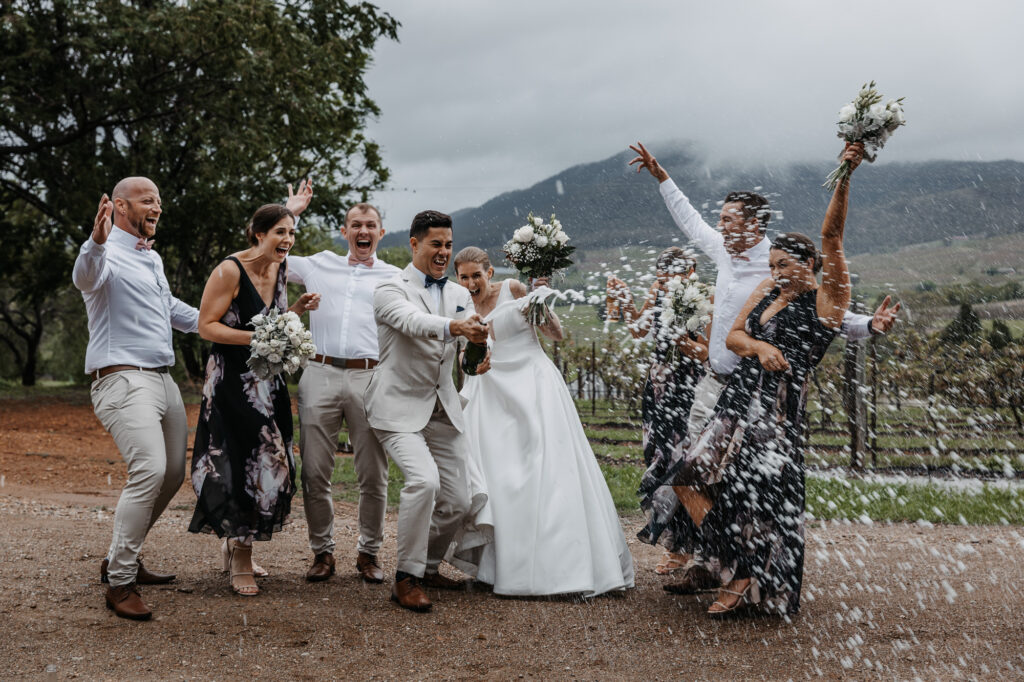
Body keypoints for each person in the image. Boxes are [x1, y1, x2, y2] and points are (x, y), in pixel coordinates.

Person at [628, 141, 900, 595]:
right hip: (710, 385)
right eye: (722, 221)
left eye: (729, 220)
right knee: (692, 474)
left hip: (754, 393)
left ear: (754, 226)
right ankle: (702, 556)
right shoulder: (722, 251)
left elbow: (826, 312)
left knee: (733, 484)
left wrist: (870, 324)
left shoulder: (777, 263)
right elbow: (690, 219)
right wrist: (662, 177)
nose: (720, 227)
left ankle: (736, 564)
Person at [451, 247, 635, 596]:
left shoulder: (515, 290)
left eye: (477, 275)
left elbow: (556, 334)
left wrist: (539, 301)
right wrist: (471, 365)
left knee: (545, 474)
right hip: (488, 393)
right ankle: (498, 568)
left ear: (490, 272)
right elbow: (464, 355)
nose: (472, 283)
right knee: (497, 478)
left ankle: (563, 568)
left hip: (533, 387)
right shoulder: (462, 306)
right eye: (464, 277)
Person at [73, 177, 198, 620]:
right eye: (148, 200)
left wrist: (229, 327)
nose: (157, 207)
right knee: (149, 468)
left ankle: (122, 556)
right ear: (121, 206)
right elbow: (85, 278)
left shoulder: (153, 258)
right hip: (123, 378)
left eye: (160, 200)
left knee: (173, 474)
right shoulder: (103, 254)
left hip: (162, 380)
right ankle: (119, 580)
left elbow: (171, 310)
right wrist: (95, 241)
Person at [188, 203, 320, 596]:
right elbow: (205, 326)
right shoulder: (229, 270)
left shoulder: (279, 269)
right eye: (280, 232)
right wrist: (259, 338)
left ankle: (235, 544)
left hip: (269, 382)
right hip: (232, 383)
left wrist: (293, 313)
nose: (288, 240)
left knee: (274, 457)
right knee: (251, 459)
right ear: (258, 233)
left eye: (291, 233)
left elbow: (273, 319)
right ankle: (241, 556)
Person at [364, 210, 490, 612]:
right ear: (414, 244)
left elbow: (465, 360)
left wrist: (477, 350)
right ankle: (407, 577)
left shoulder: (457, 293)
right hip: (397, 407)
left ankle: (430, 565)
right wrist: (456, 328)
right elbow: (413, 322)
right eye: (436, 244)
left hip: (443, 408)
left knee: (458, 499)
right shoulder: (389, 288)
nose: (443, 252)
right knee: (424, 482)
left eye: (448, 245)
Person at [286, 190, 401, 584]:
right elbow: (269, 255)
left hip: (371, 376)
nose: (363, 231)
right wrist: (291, 213)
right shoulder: (319, 265)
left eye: (370, 226)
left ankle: (369, 554)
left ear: (381, 233)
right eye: (356, 225)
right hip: (319, 373)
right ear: (344, 231)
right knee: (315, 471)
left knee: (373, 472)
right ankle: (323, 552)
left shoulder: (394, 277)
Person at [606, 247, 708, 576]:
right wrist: (625, 301)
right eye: (661, 277)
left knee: (683, 465)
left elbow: (706, 351)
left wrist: (681, 340)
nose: (665, 283)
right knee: (660, 459)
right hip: (658, 388)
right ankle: (675, 545)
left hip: (690, 389)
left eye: (672, 275)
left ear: (690, 270)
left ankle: (696, 545)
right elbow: (639, 329)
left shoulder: (703, 297)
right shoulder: (658, 292)